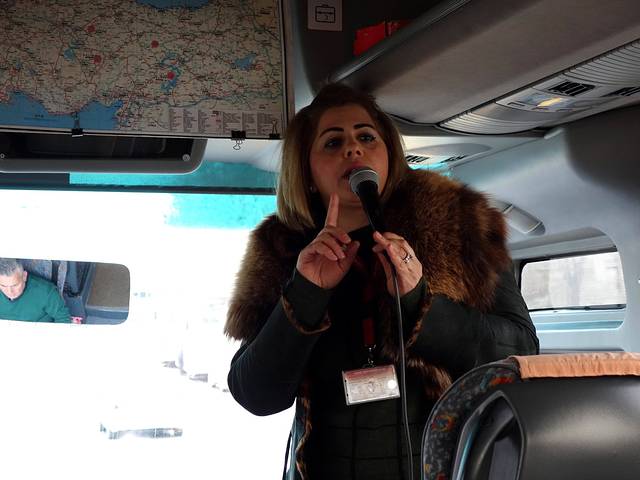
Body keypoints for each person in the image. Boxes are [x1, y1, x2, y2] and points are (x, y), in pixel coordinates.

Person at [224, 84, 539, 480]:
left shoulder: (458, 225)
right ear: (306, 172)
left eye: (367, 137)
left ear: (389, 154)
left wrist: (419, 302)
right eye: (333, 142)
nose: (353, 149)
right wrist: (305, 292)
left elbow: (521, 351)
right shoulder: (282, 249)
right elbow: (256, 394)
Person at [0, 258, 71, 323]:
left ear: (24, 276)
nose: (10, 292)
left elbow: (63, 318)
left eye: (15, 285)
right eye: (3, 286)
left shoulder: (46, 292)